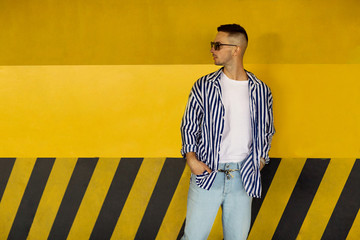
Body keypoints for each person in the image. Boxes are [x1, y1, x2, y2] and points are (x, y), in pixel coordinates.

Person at [180, 24, 275, 240]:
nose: (212, 49)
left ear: (236, 49)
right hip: (207, 172)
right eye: (213, 45)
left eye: (217, 45)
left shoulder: (261, 90)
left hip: (244, 175)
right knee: (193, 237)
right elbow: (189, 125)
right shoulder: (204, 85)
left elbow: (267, 130)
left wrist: (261, 159)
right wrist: (192, 159)